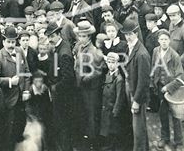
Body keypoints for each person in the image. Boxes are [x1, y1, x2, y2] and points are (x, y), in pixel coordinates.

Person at [0, 25, 30, 150]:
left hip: (21, 97)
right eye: (8, 42)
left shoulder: (20, 51)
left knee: (21, 123)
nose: (11, 45)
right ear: (3, 42)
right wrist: (9, 82)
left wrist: (26, 90)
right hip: (7, 99)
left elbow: (27, 72)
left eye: (13, 42)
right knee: (9, 131)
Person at [151, 29, 184, 151]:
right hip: (160, 88)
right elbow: (153, 68)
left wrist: (169, 87)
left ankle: (179, 141)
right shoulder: (156, 51)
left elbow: (181, 76)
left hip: (172, 90)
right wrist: (153, 82)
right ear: (158, 41)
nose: (164, 42)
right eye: (161, 39)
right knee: (163, 113)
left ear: (169, 40)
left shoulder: (174, 56)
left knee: (176, 115)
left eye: (166, 39)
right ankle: (165, 137)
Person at [45, 21, 75, 151]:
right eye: (48, 37)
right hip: (60, 95)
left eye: (52, 36)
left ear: (58, 35)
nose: (50, 39)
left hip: (63, 97)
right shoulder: (59, 48)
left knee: (63, 126)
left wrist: (55, 88)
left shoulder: (64, 52)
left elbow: (68, 78)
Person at [73, 19, 103, 149]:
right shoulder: (80, 47)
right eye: (80, 36)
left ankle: (93, 142)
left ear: (89, 36)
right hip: (80, 87)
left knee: (91, 114)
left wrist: (85, 78)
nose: (81, 38)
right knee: (83, 113)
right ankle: (85, 138)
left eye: (84, 36)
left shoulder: (93, 51)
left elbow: (98, 71)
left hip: (90, 89)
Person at [122, 17, 151, 151]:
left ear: (136, 33)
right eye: (126, 34)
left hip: (137, 96)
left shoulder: (142, 54)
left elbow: (144, 81)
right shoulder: (131, 47)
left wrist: (137, 101)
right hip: (131, 91)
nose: (128, 37)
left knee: (138, 130)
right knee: (138, 128)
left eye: (130, 34)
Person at [99, 51, 129, 151]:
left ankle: (112, 146)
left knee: (113, 129)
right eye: (109, 62)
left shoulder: (118, 79)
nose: (110, 65)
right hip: (106, 106)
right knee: (107, 128)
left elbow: (119, 97)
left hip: (112, 108)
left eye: (113, 63)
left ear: (117, 63)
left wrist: (115, 111)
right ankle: (108, 145)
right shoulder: (108, 74)